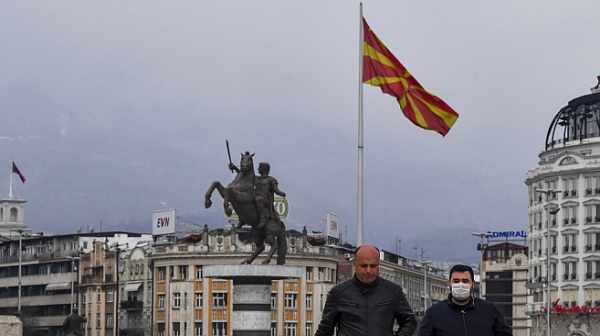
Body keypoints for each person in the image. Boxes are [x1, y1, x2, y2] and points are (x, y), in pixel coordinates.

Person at [314, 244, 416, 336]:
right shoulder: (338, 293)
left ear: (378, 265)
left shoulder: (393, 292)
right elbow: (325, 330)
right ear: (355, 265)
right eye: (364, 265)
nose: (368, 270)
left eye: (373, 266)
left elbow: (410, 321)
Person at [418, 264, 512, 336]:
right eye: (456, 281)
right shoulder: (434, 312)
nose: (460, 285)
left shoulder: (488, 309)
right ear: (449, 283)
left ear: (473, 284)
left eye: (465, 281)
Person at [254, 162, 286, 229]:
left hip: (264, 199)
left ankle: (262, 218)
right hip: (255, 196)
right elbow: (245, 176)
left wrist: (281, 193)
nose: (258, 169)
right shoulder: (256, 178)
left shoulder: (271, 180)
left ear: (264, 169)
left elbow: (276, 190)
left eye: (260, 167)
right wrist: (234, 167)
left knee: (258, 199)